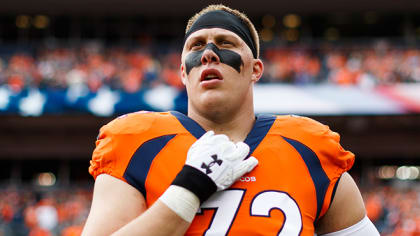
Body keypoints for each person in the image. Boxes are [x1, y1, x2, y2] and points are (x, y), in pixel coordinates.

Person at [82, 4, 380, 236]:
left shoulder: (309, 147)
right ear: (184, 72)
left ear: (256, 69)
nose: (209, 54)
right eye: (196, 46)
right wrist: (187, 191)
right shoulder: (139, 142)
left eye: (226, 43)